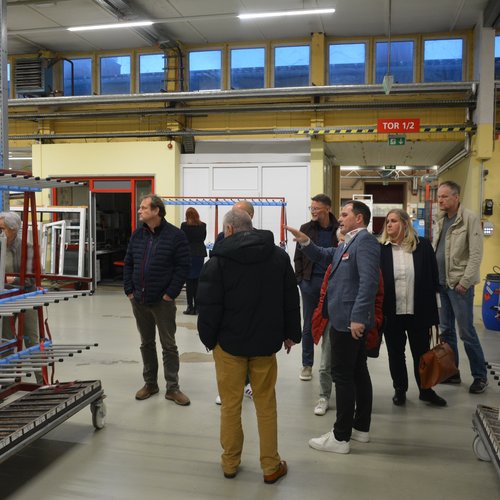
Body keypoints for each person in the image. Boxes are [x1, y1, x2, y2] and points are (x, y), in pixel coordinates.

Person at [197, 208, 301, 484]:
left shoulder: (218, 262)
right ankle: (271, 466)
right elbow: (290, 296)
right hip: (266, 343)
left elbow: (208, 305)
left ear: (229, 230)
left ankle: (230, 463)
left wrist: (209, 339)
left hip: (228, 344)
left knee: (230, 405)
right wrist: (291, 333)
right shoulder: (278, 256)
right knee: (266, 404)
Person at [287, 200, 379, 455]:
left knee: (343, 376)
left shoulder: (365, 242)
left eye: (345, 214)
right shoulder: (348, 242)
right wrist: (306, 242)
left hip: (349, 321)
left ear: (359, 218)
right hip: (343, 318)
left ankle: (340, 437)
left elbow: (369, 282)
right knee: (358, 372)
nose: (340, 217)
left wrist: (358, 317)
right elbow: (325, 255)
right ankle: (360, 428)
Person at [123, 194, 191, 405]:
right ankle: (150, 384)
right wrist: (129, 290)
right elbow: (128, 262)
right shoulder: (137, 235)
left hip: (163, 302)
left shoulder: (176, 236)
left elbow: (183, 267)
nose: (139, 210)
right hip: (139, 299)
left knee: (168, 345)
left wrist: (170, 293)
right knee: (146, 343)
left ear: (156, 211)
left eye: (143, 208)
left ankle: (173, 388)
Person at [379, 209, 446, 407]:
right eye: (387, 221)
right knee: (395, 354)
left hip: (419, 311)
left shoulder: (422, 246)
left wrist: (435, 311)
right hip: (392, 311)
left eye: (393, 221)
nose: (389, 225)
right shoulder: (381, 249)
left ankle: (426, 390)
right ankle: (400, 390)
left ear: (405, 223)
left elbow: (433, 278)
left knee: (421, 353)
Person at [433, 181, 488, 394]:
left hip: (458, 286)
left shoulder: (469, 219)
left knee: (466, 332)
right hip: (441, 284)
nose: (440, 200)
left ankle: (480, 376)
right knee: (446, 331)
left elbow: (476, 254)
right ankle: (452, 372)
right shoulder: (440, 219)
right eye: (439, 196)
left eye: (444, 196)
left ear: (456, 197)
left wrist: (465, 282)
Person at [293, 194, 339, 382]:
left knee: (334, 325)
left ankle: (332, 365)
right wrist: (300, 280)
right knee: (308, 325)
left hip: (333, 283)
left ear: (327, 209)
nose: (313, 211)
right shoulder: (306, 228)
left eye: (316, 208)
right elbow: (298, 256)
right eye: (311, 208)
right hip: (310, 283)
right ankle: (307, 364)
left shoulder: (339, 228)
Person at [214, 200, 255, 405]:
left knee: (249, 348)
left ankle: (248, 383)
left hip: (250, 302)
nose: (234, 216)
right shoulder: (222, 237)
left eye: (239, 212)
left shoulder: (258, 239)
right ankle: (229, 387)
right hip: (228, 301)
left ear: (250, 216)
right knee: (228, 352)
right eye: (232, 212)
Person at [0, 212, 42, 382]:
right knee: (6, 340)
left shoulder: (28, 248)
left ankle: (42, 380)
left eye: (2, 228)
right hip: (6, 298)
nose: (0, 232)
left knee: (31, 338)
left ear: (13, 229)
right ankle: (7, 380)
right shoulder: (0, 247)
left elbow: (31, 278)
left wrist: (12, 280)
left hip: (27, 297)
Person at [180, 207, 207, 315]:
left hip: (188, 254)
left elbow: (182, 239)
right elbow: (203, 238)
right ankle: (197, 307)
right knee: (197, 281)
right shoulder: (203, 225)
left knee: (189, 281)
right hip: (199, 254)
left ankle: (189, 307)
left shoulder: (184, 226)